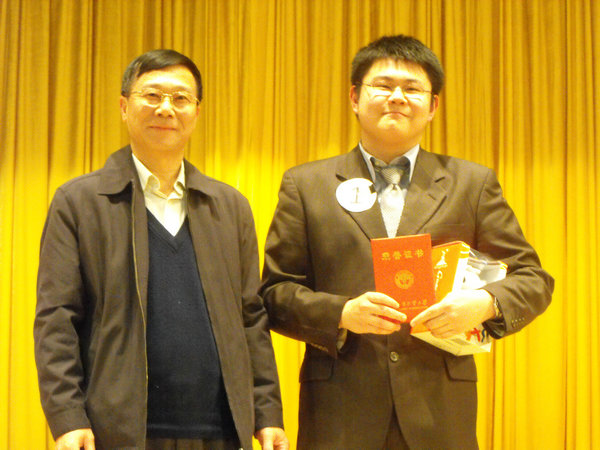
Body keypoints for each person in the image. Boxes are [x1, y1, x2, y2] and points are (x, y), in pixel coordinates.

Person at [260, 35, 554, 449]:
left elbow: (533, 279)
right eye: (383, 85)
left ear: (433, 106)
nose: (397, 97)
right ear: (355, 97)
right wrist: (341, 313)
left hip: (439, 411)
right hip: (339, 412)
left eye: (413, 89)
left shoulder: (471, 184)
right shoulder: (306, 185)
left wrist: (484, 304)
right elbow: (275, 293)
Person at [34, 49, 288, 450]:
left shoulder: (229, 206)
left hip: (220, 428)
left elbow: (250, 317)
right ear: (124, 106)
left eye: (181, 98)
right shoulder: (79, 202)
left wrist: (267, 411)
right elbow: (56, 319)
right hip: (118, 429)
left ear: (197, 112)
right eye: (152, 95)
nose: (166, 108)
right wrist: (67, 417)